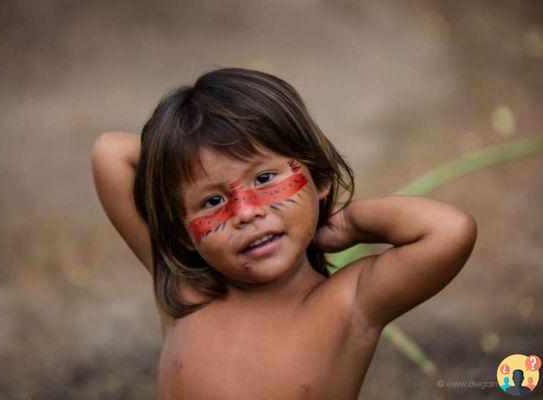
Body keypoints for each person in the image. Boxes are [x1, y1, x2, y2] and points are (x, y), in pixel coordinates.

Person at [91, 68, 478, 399]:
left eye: (263, 178)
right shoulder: (184, 291)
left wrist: (346, 223)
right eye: (211, 202)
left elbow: (449, 231)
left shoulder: (348, 304)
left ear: (320, 177)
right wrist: (176, 162)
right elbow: (110, 154)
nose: (246, 212)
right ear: (183, 231)